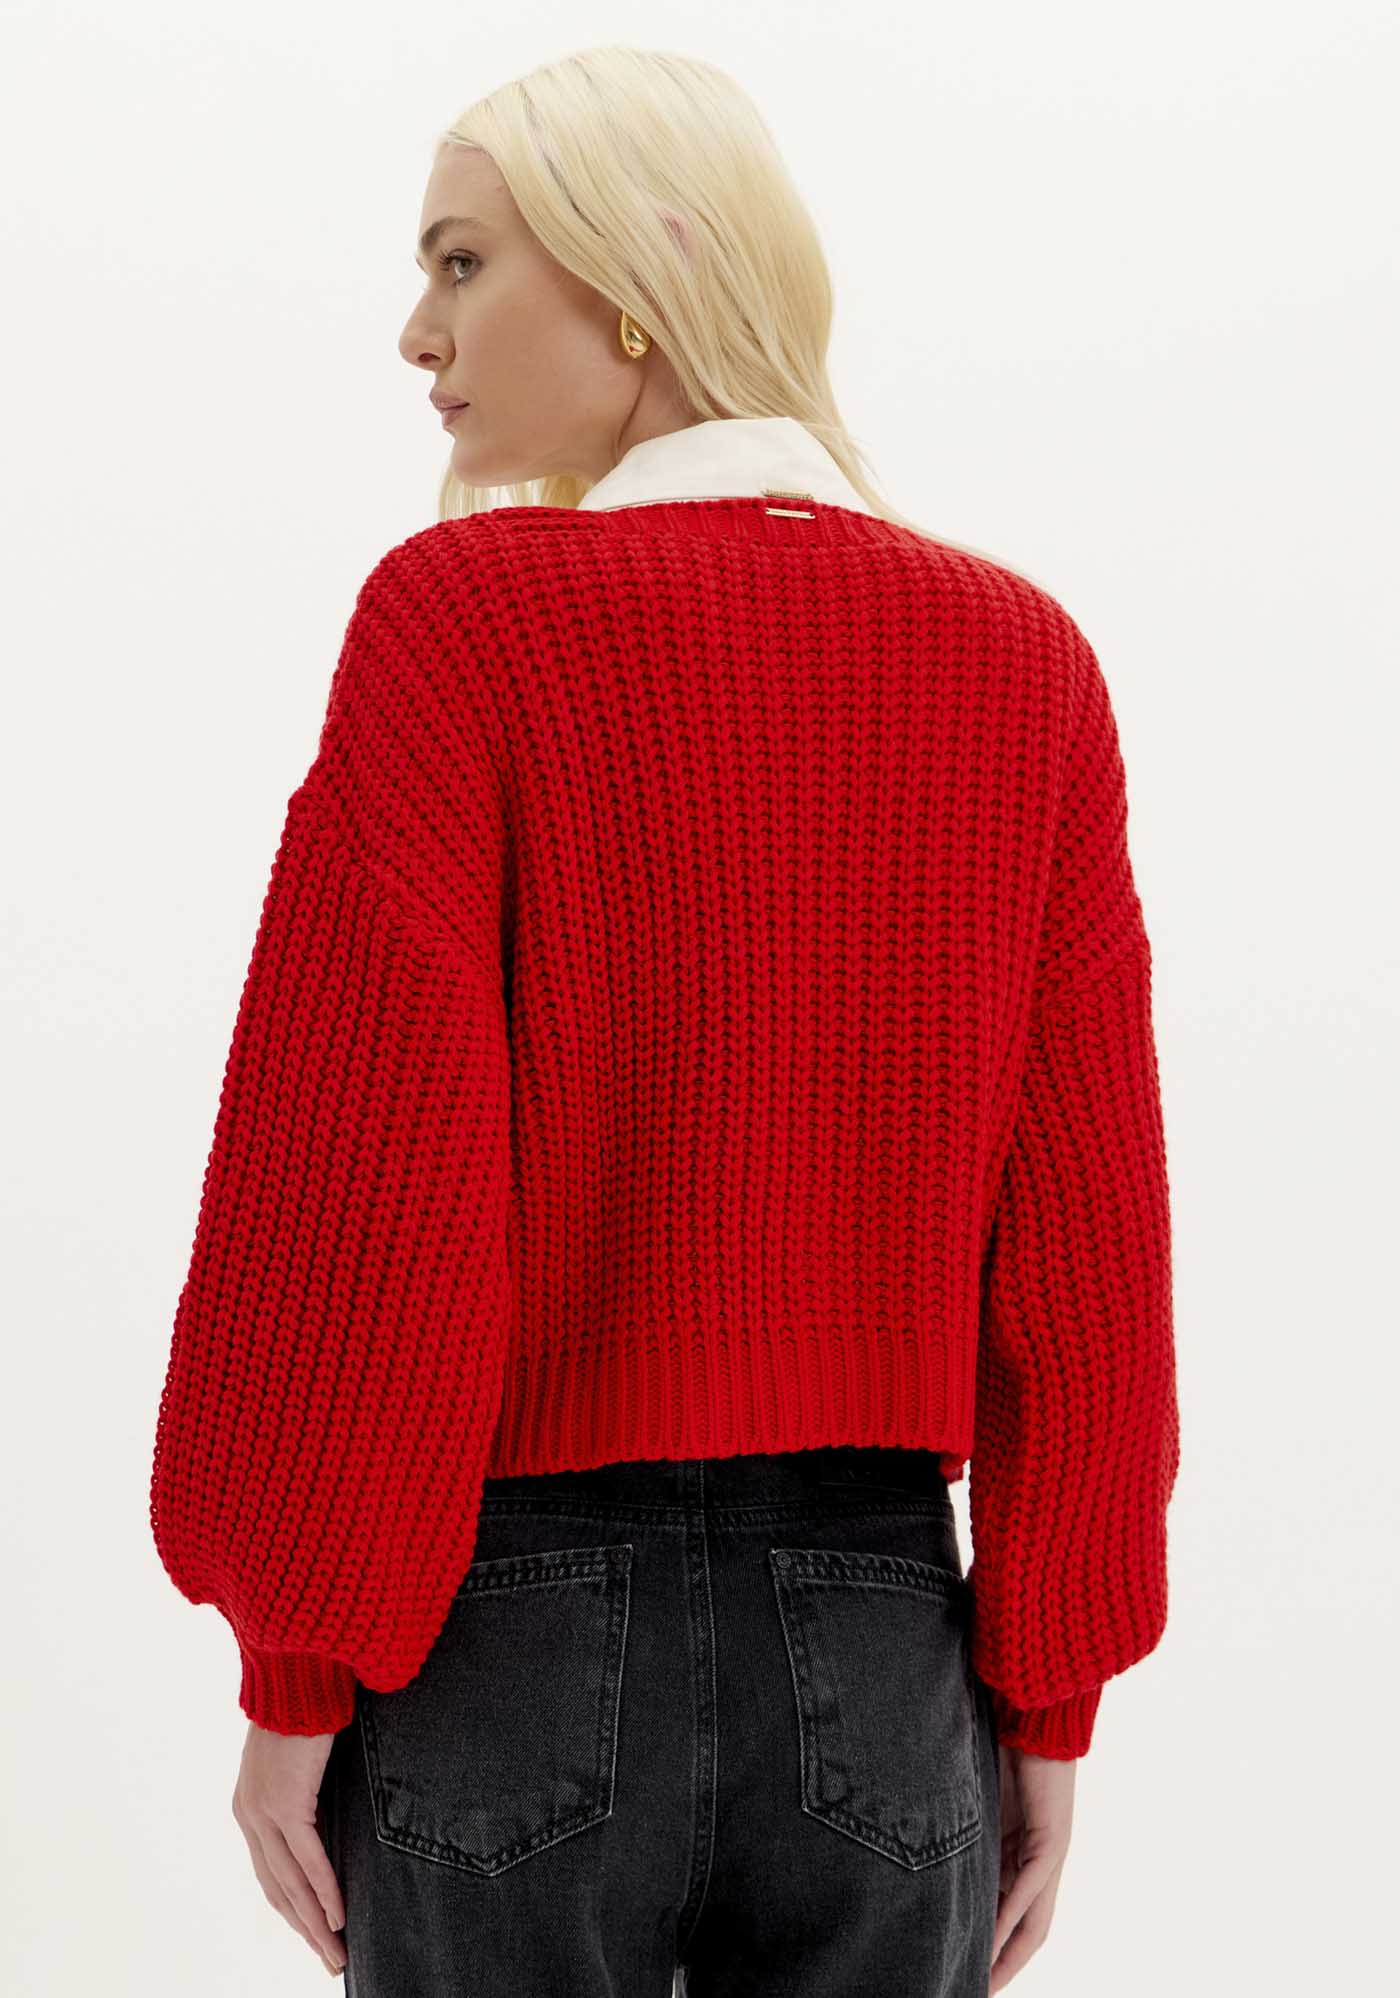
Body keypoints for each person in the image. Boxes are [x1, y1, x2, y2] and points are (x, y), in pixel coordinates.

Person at [148, 44, 1179, 1998]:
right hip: (882, 1645)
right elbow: (1087, 1253)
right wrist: (1049, 1701)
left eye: (463, 261)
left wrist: (297, 1665)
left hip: (512, 1633)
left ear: (639, 277)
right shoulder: (1024, 666)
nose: (417, 330)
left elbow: (356, 1182)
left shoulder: (464, 623)